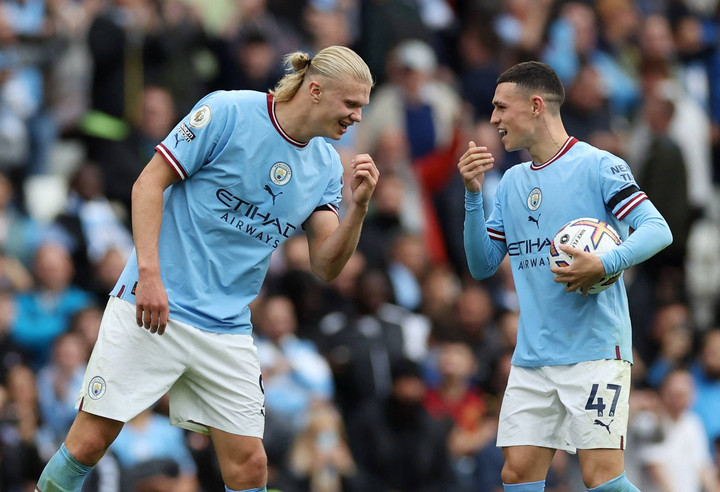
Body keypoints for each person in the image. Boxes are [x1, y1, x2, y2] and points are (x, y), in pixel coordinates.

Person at [34, 44, 377, 492]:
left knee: (250, 465)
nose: (357, 117)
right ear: (315, 90)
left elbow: (327, 265)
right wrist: (149, 276)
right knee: (89, 443)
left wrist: (358, 209)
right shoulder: (228, 111)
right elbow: (147, 185)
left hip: (226, 328)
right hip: (154, 306)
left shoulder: (327, 165)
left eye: (362, 106)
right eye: (351, 103)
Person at [457, 61, 672, 492]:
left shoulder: (598, 165)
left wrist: (605, 264)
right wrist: (473, 196)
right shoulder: (512, 181)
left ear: (536, 106)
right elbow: (482, 265)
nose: (494, 118)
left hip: (595, 349)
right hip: (533, 355)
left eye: (502, 107)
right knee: (517, 473)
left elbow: (657, 229)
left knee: (601, 479)